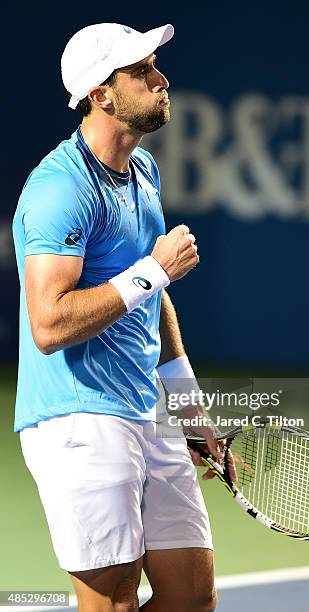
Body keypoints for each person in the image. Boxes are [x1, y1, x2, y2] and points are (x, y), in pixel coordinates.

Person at [12, 22, 225, 612]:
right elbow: (48, 324)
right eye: (143, 72)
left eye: (155, 66)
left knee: (192, 597)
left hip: (145, 411)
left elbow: (152, 305)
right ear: (101, 94)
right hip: (77, 423)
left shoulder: (145, 173)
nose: (162, 81)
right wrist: (151, 271)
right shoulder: (59, 190)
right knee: (113, 605)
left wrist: (188, 411)